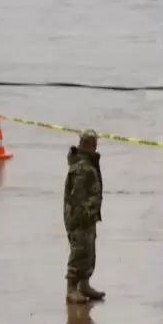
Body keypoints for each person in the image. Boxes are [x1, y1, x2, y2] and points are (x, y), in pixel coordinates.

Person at [63, 129, 105, 304]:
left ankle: (84, 284)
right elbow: (76, 196)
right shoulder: (81, 167)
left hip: (88, 216)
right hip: (79, 217)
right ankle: (72, 288)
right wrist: (84, 213)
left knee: (88, 251)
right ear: (90, 144)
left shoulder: (88, 163)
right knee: (79, 251)